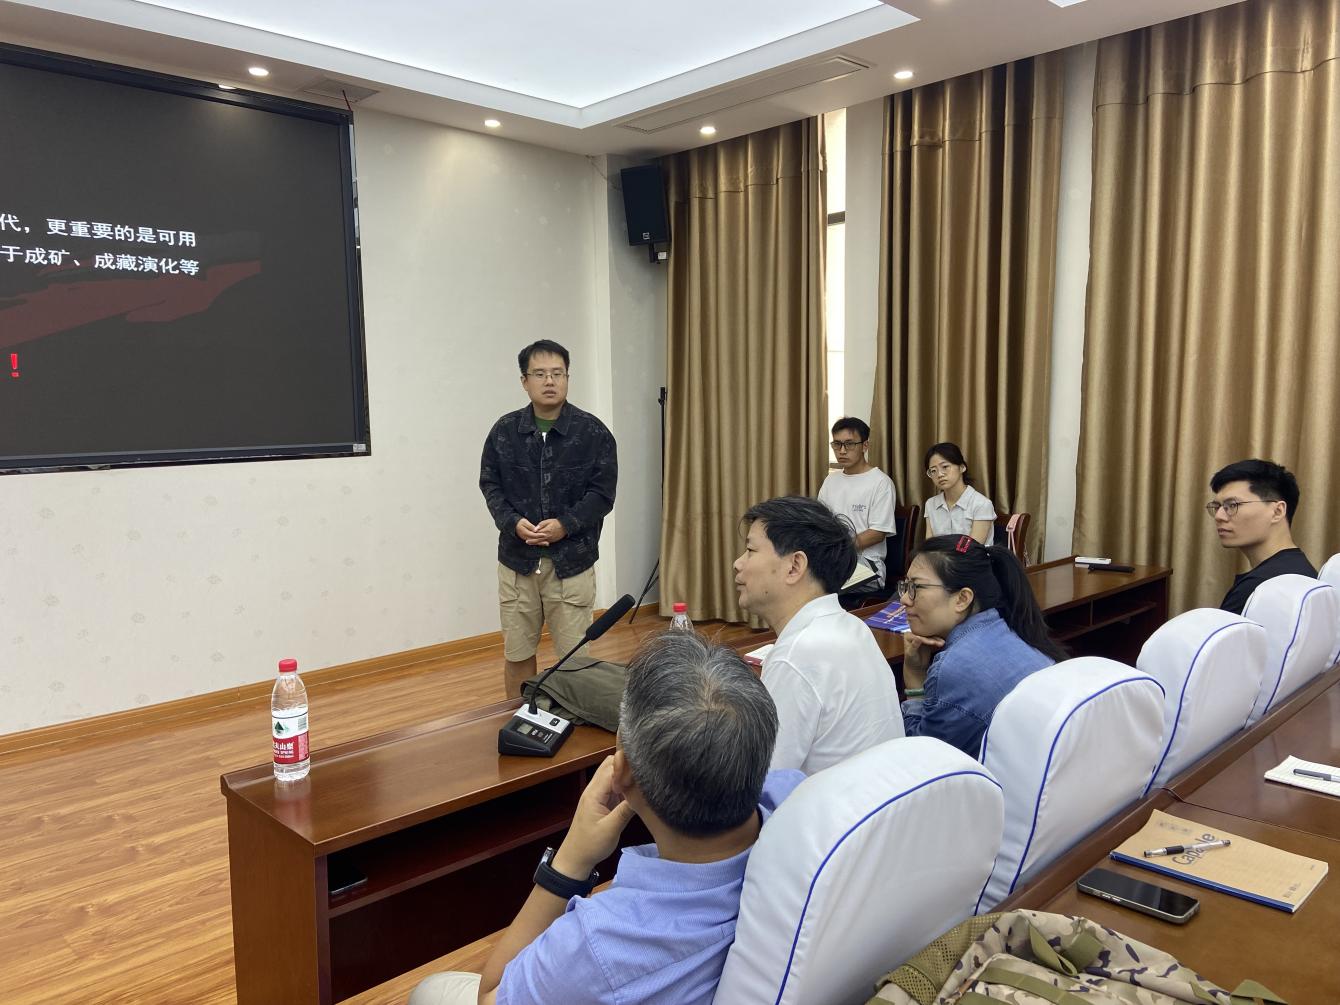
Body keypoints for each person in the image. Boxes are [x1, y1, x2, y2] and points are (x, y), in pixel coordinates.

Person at [406, 631, 803, 1005]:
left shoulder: (598, 946)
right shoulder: (797, 799)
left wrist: (571, 859)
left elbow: (491, 992)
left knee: (430, 989)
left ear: (622, 771)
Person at [480, 340, 618, 698]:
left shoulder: (592, 433)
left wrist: (564, 525)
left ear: (568, 378)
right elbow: (490, 484)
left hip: (571, 565)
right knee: (517, 654)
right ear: (524, 381)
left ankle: (574, 724)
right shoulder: (504, 431)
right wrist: (512, 522)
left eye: (558, 373)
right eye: (540, 374)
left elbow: (602, 495)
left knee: (575, 662)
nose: (550, 381)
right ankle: (518, 717)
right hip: (517, 564)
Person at [734, 495, 903, 774]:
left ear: (794, 566)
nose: (738, 564)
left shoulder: (797, 655)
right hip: (880, 795)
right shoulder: (853, 627)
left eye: (750, 550)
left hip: (835, 801)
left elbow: (762, 779)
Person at [899, 534, 1066, 758]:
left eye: (916, 587)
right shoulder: (1011, 628)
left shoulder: (951, 669)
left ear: (962, 599)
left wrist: (915, 683)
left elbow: (923, 760)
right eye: (905, 586)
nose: (904, 599)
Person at [1209, 458, 1317, 615]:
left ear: (1277, 511)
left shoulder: (1260, 588)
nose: (1219, 516)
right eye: (1217, 506)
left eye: (1232, 505)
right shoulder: (1299, 568)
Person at [817, 417, 898, 591]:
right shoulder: (831, 481)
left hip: (867, 564)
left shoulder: (880, 482)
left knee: (815, 583)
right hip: (831, 559)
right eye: (837, 444)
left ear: (865, 446)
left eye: (849, 444)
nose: (842, 450)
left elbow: (877, 533)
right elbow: (819, 523)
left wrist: (837, 550)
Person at [923, 442, 995, 546]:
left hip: (972, 556)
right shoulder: (931, 504)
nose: (939, 474)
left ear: (962, 467)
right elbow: (930, 545)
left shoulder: (982, 504)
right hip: (939, 556)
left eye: (945, 467)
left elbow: (971, 548)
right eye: (933, 471)